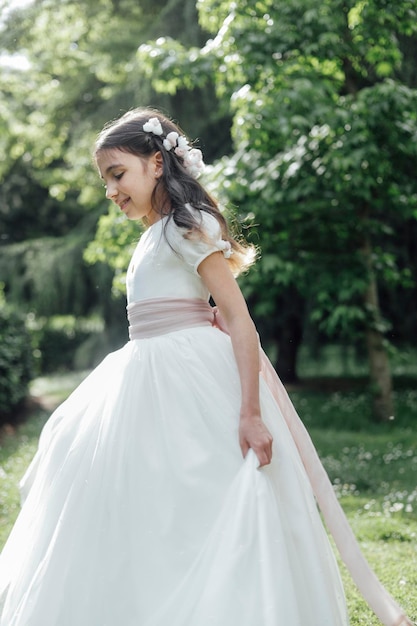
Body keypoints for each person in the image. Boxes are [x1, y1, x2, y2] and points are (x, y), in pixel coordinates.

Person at [0, 108, 413, 626]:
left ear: (156, 163)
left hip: (189, 379)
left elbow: (239, 322)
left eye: (117, 174)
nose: (110, 190)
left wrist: (249, 413)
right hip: (144, 380)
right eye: (104, 180)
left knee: (204, 494)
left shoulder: (185, 226)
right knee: (137, 497)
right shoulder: (153, 235)